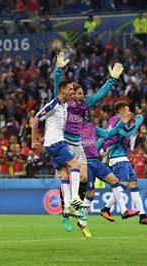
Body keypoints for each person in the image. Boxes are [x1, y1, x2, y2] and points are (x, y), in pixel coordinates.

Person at [54, 51, 124, 231]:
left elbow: (100, 94)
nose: (83, 95)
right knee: (66, 176)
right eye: (79, 93)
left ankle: (74, 206)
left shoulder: (86, 104)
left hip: (76, 143)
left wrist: (112, 80)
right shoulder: (65, 103)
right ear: (72, 95)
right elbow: (58, 88)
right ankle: (66, 214)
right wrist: (58, 70)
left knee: (83, 176)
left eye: (83, 93)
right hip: (64, 143)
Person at [77, 111, 140, 238]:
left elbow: (108, 134)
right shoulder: (72, 130)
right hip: (85, 164)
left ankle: (124, 211)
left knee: (115, 181)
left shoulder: (92, 127)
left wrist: (121, 123)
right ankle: (82, 222)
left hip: (96, 162)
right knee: (91, 194)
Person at [99, 102, 147, 227]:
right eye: (127, 110)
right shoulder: (116, 120)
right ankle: (106, 208)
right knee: (124, 183)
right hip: (118, 157)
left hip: (122, 157)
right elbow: (127, 133)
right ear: (121, 111)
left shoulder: (118, 121)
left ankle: (143, 216)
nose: (130, 112)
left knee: (133, 183)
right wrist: (138, 121)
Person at [31, 79, 82, 219]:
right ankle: (75, 197)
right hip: (56, 143)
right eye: (70, 89)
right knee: (76, 165)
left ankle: (67, 207)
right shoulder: (53, 104)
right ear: (62, 91)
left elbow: (51, 123)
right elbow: (36, 119)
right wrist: (34, 140)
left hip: (52, 141)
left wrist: (45, 137)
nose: (72, 92)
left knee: (65, 174)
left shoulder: (64, 105)